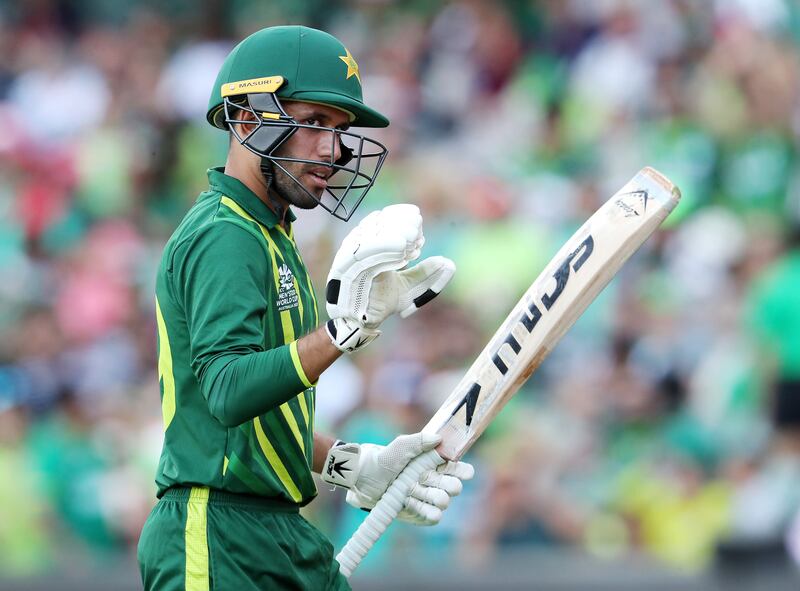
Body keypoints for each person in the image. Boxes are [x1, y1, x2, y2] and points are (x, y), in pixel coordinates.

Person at [136, 25, 474, 591]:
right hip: (217, 536)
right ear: (246, 119)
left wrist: (351, 464)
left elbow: (257, 422)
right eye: (314, 122)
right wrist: (342, 333)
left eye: (340, 130)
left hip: (274, 531)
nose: (335, 148)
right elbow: (228, 391)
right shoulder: (226, 234)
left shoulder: (271, 234)